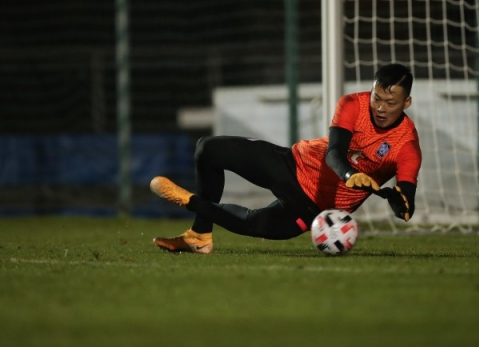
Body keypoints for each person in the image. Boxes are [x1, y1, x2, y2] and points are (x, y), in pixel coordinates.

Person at [151, 63, 422, 254]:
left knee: (252, 223)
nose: (380, 108)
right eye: (377, 98)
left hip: (311, 209)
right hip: (292, 164)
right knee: (208, 148)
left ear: (406, 103)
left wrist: (401, 203)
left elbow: (406, 195)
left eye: (390, 103)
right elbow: (334, 153)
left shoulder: (407, 145)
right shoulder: (353, 104)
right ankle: (199, 235)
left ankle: (189, 203)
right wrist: (350, 175)